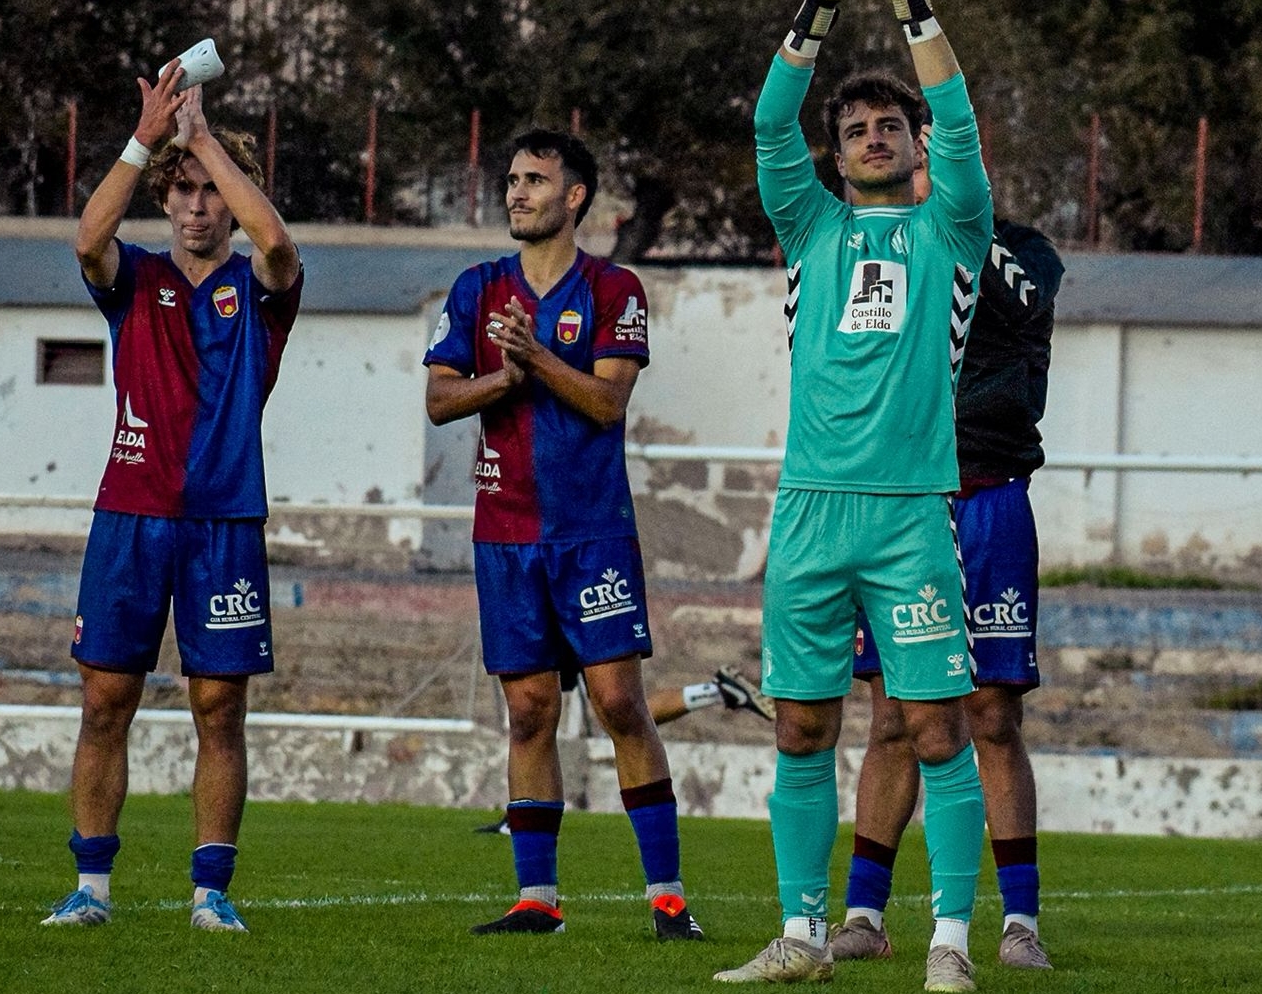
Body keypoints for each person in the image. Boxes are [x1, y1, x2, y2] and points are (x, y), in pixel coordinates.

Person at [712, 0, 993, 993]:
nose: (872, 134)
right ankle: (802, 932)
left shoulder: (950, 228)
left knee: (934, 725)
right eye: (855, 127)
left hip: (912, 510)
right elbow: (766, 126)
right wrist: (816, 10)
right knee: (799, 728)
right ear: (835, 155)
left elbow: (964, 130)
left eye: (889, 125)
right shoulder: (810, 225)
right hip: (809, 508)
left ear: (913, 145)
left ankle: (951, 944)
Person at [423, 129, 702, 942]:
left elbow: (608, 403)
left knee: (619, 702)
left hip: (591, 531)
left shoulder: (615, 289)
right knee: (529, 712)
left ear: (574, 196)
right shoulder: (476, 288)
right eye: (512, 180)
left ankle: (669, 897)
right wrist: (501, 379)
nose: (517, 193)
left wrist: (535, 359)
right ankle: (537, 900)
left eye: (535, 180)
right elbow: (441, 401)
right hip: (504, 532)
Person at [43, 65, 302, 934]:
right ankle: (92, 890)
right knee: (105, 700)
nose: (197, 206)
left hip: (225, 522)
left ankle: (210, 894)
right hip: (131, 517)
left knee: (218, 707)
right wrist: (148, 138)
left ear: (228, 200)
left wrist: (203, 139)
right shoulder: (135, 280)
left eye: (209, 192)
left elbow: (277, 242)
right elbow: (86, 239)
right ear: (166, 201)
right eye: (183, 193)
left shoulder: (261, 293)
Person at [832, 181, 1063, 971]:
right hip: (904, 506)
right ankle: (863, 913)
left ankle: (1020, 922)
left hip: (990, 499)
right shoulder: (880, 253)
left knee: (991, 714)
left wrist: (956, 208)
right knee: (892, 713)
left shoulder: (1025, 251)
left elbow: (1016, 302)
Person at [473, 665, 776, 834]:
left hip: (563, 579)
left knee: (612, 709)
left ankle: (526, 814)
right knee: (611, 709)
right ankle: (715, 691)